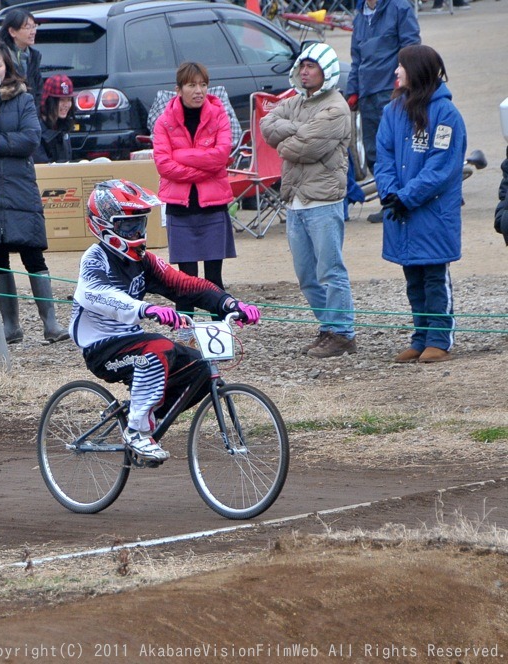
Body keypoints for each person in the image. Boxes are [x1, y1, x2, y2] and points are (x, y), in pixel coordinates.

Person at [71, 179, 261, 463]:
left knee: (199, 366)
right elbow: (96, 294)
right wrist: (147, 309)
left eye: (140, 224)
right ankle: (136, 431)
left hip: (130, 340)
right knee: (158, 349)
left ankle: (145, 416)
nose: (137, 232)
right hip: (101, 347)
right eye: (128, 226)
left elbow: (185, 284)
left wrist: (229, 303)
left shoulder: (143, 260)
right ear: (104, 225)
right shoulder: (95, 258)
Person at [0, 39, 69, 344]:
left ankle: (51, 323)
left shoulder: (23, 99)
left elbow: (31, 139)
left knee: (33, 253)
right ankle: (10, 326)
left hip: (19, 187)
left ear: (7, 67)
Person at [261, 43, 356, 359]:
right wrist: (297, 131)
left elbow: (304, 148)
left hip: (323, 201)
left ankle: (343, 333)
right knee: (307, 276)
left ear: (325, 70)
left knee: (331, 271)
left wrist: (287, 140)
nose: (304, 71)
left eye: (311, 66)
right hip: (296, 200)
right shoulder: (297, 102)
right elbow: (266, 125)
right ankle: (328, 327)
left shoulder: (336, 108)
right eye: (302, 65)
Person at [375, 44, 466, 364]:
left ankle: (440, 339)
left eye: (401, 66)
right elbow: (383, 156)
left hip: (432, 212)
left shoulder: (446, 115)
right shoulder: (392, 110)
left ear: (417, 71)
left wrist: (406, 196)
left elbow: (442, 168)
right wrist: (389, 193)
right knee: (413, 279)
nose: (396, 72)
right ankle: (420, 336)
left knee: (434, 277)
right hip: (402, 213)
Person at [152, 62, 236, 319]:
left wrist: (183, 157)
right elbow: (164, 165)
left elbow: (222, 155)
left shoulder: (219, 114)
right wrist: (204, 167)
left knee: (214, 278)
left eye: (203, 84)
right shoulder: (164, 122)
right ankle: (186, 334)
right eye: (191, 85)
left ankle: (220, 333)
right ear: (178, 89)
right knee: (185, 281)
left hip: (213, 206)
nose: (198, 90)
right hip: (180, 208)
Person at [344, 0, 419, 223]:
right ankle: (387, 201)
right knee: (374, 151)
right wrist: (353, 90)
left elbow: (411, 47)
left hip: (392, 91)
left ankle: (404, 199)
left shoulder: (399, 8)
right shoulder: (360, 16)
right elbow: (356, 58)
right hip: (367, 93)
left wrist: (403, 85)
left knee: (399, 149)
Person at [0, 8, 41, 112]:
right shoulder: (1, 56)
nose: (33, 32)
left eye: (34, 26)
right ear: (12, 31)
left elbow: (38, 91)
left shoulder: (34, 56)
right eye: (28, 27)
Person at [34, 74, 75, 164]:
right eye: (61, 100)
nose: (66, 105)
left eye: (69, 99)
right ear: (49, 101)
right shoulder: (34, 128)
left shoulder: (63, 126)